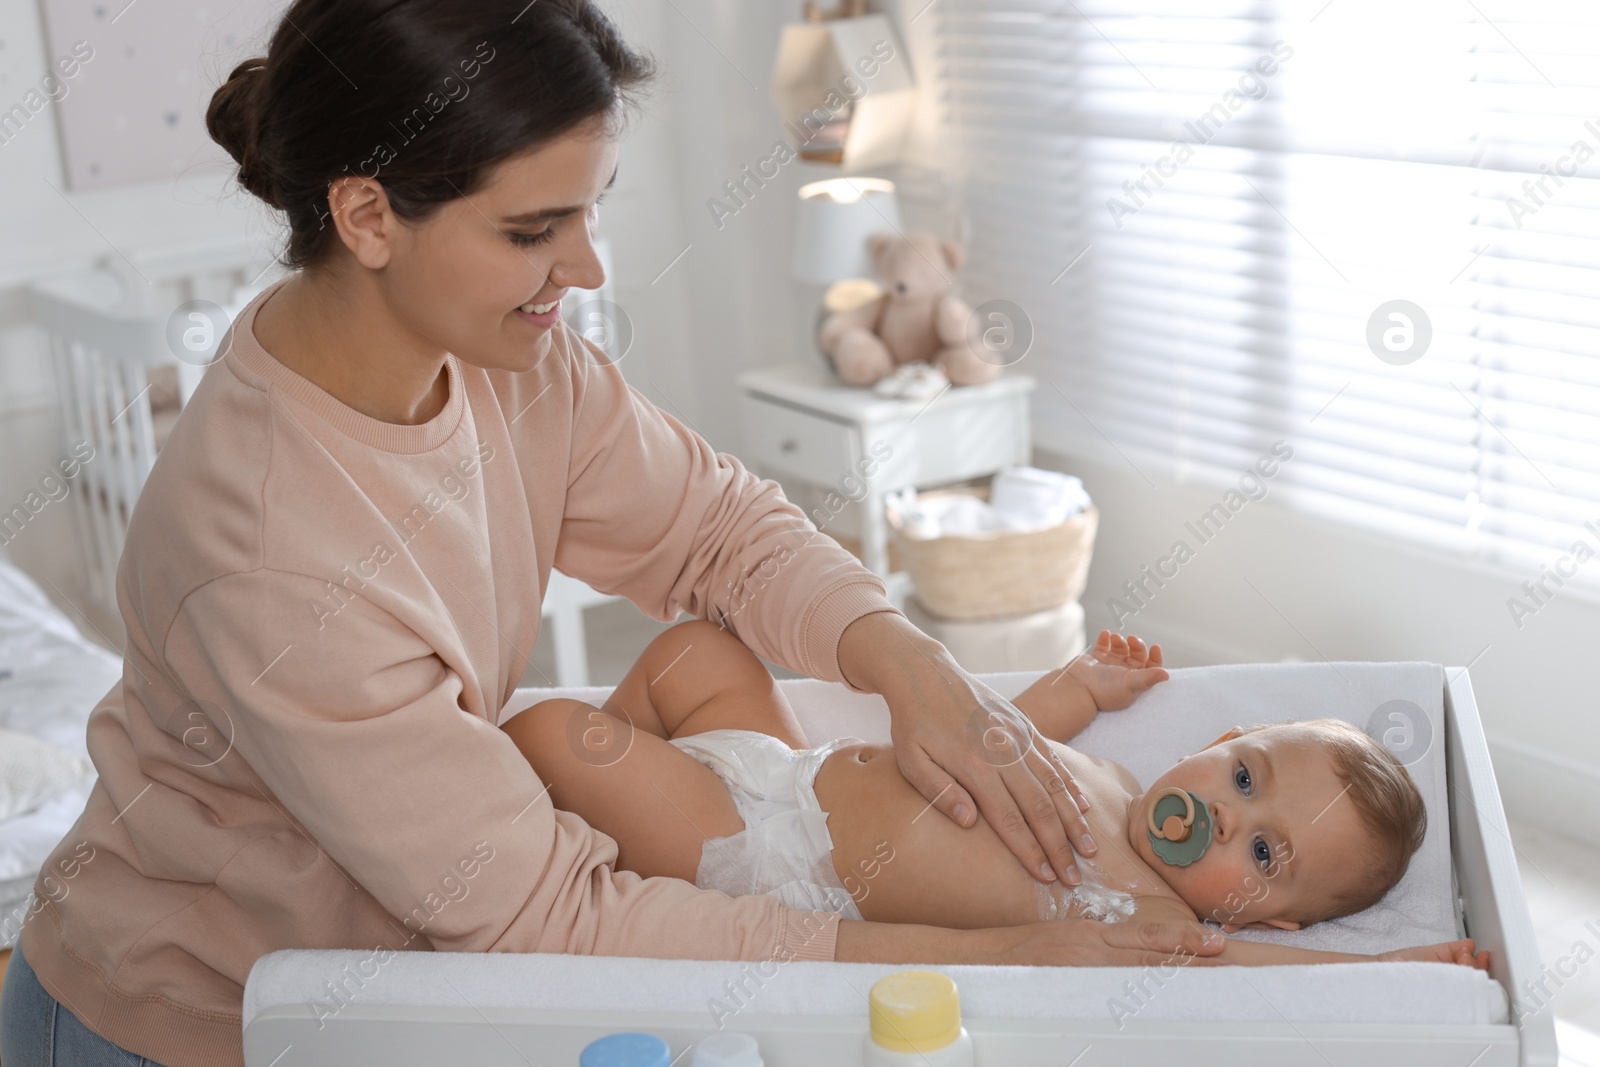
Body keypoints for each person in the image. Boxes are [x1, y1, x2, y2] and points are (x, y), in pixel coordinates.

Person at [0, 3, 1223, 1065]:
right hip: (189, 1014)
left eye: (588, 215)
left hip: (386, 953)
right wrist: (994, 955)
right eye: (532, 231)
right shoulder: (267, 554)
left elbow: (721, 531)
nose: (580, 268)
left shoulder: (505, 361)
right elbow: (554, 915)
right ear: (367, 214)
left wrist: (909, 667)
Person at [508, 624, 1490, 969]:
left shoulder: (1143, 915)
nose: (1227, 816)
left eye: (1264, 853)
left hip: (762, 852)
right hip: (787, 766)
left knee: (554, 731)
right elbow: (1002, 743)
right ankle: (579, 838)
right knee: (699, 650)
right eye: (1242, 778)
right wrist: (1075, 687)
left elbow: (1250, 977)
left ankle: (535, 836)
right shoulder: (1109, 779)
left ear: (1263, 917)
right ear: (1220, 741)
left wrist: (1396, 962)